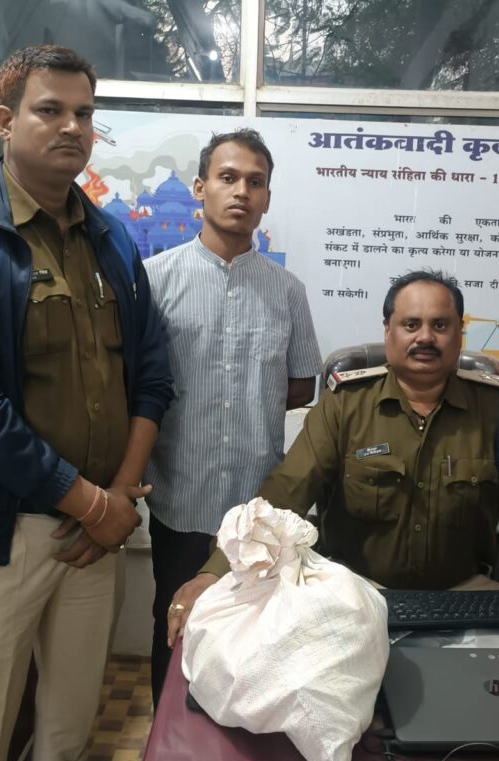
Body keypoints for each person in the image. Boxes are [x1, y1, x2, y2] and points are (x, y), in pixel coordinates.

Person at [166, 269, 499, 645]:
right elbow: (284, 495)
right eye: (411, 325)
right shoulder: (345, 407)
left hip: (465, 597)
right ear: (388, 332)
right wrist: (213, 573)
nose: (425, 337)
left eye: (440, 325)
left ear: (459, 334)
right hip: (355, 595)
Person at [0, 45, 172, 761]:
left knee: (69, 734)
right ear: (4, 121)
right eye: (49, 110)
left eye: (84, 113)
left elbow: (151, 374)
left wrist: (117, 498)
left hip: (92, 536)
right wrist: (91, 502)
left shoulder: (112, 240)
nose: (72, 127)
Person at [143, 128, 322, 704]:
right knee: (174, 627)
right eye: (227, 177)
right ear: (200, 188)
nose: (241, 191)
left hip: (257, 506)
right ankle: (170, 738)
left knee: (256, 639)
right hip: (180, 497)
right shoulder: (154, 280)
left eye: (255, 181)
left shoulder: (288, 292)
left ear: (267, 197)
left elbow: (299, 386)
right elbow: (138, 387)